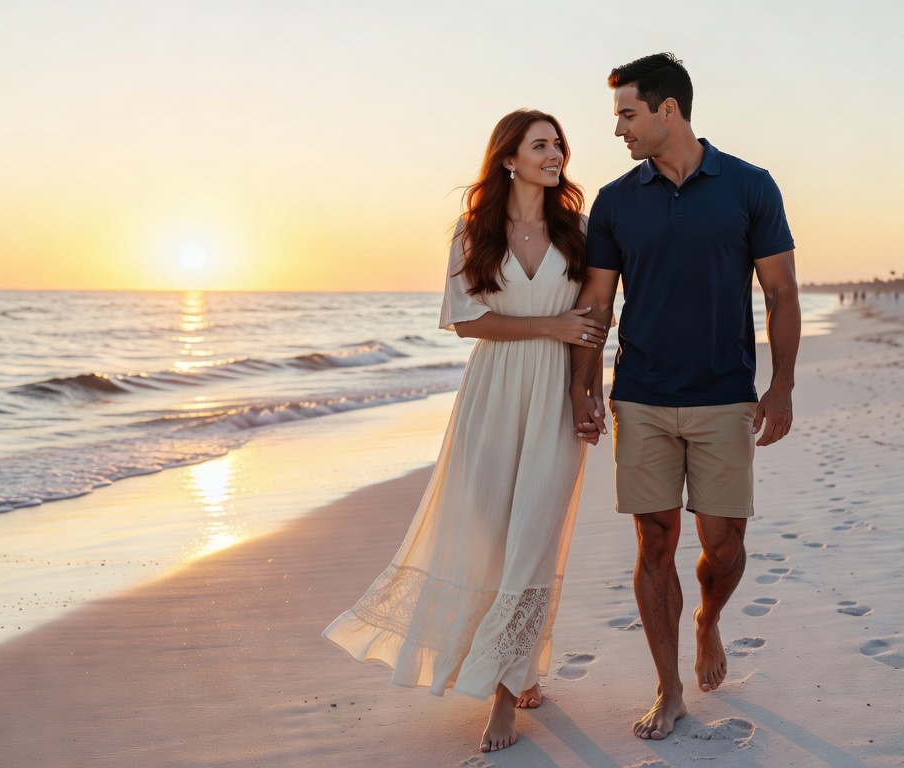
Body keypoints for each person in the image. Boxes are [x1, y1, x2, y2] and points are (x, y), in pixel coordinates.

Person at [324, 109, 606, 753]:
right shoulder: (474, 230)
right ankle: (518, 665)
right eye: (541, 144)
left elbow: (594, 319)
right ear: (509, 158)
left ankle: (505, 700)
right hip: (492, 394)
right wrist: (548, 328)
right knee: (490, 536)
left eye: (559, 143)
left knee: (533, 536)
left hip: (556, 396)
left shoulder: (579, 230)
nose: (556, 152)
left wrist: (587, 393)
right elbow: (466, 322)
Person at [569, 53, 800, 741]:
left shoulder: (750, 187)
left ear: (668, 109)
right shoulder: (615, 202)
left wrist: (781, 385)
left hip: (726, 395)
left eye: (627, 114)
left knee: (724, 546)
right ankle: (668, 689)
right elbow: (596, 303)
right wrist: (585, 386)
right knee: (654, 543)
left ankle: (707, 619)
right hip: (639, 393)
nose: (618, 130)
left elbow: (781, 292)